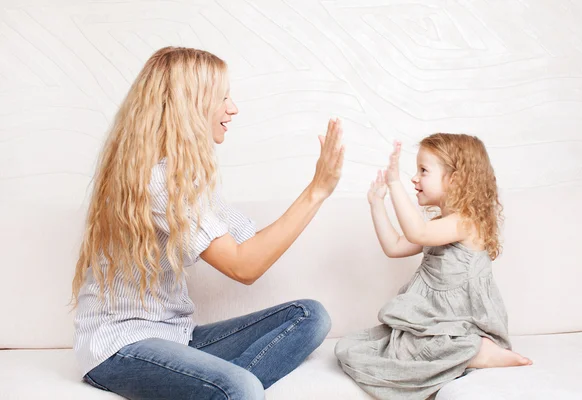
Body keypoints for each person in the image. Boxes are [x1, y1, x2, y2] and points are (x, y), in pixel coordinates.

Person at [71, 46, 345, 400]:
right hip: (118, 347)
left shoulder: (187, 178)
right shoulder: (155, 181)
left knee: (310, 315)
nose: (233, 108)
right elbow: (243, 267)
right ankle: (226, 390)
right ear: (190, 104)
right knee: (242, 387)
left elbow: (250, 247)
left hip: (178, 337)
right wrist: (316, 191)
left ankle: (215, 390)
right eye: (223, 97)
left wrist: (314, 192)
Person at [335, 134, 532, 400]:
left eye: (423, 170)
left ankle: (477, 351)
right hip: (436, 321)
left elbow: (418, 233)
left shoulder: (466, 222)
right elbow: (394, 247)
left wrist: (395, 184)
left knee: (405, 353)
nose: (414, 178)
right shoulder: (442, 223)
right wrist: (377, 204)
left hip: (462, 322)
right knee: (359, 347)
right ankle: (469, 352)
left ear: (455, 179)